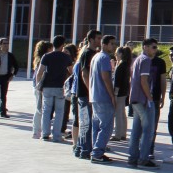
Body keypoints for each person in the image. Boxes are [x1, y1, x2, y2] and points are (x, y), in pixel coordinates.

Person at [128, 38, 159, 168]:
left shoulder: (137, 60)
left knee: (136, 129)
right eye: (153, 47)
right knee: (148, 130)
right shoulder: (146, 60)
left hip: (135, 98)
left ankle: (133, 156)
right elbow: (144, 81)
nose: (155, 50)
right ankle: (143, 158)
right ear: (145, 47)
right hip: (143, 99)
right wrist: (150, 99)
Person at [37, 35, 73, 142]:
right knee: (59, 111)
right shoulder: (66, 57)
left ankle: (45, 133)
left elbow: (39, 72)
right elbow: (72, 72)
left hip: (47, 86)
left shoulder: (46, 56)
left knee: (46, 110)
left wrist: (38, 85)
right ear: (62, 45)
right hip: (60, 87)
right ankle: (57, 135)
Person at [88, 35, 118, 164]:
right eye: (111, 44)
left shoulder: (95, 57)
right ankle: (97, 152)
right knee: (106, 127)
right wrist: (112, 96)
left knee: (97, 126)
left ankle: (96, 151)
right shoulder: (105, 58)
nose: (114, 46)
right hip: (103, 96)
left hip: (94, 96)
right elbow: (106, 77)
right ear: (104, 44)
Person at [73, 30, 102, 160]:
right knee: (86, 122)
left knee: (86, 121)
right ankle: (84, 149)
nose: (99, 41)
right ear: (90, 39)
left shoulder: (93, 53)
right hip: (85, 94)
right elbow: (84, 74)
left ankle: (80, 148)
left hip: (87, 93)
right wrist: (91, 92)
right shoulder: (87, 53)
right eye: (97, 38)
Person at [30, 40, 53, 139]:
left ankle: (37, 131)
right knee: (40, 110)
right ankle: (37, 131)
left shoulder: (39, 59)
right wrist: (40, 87)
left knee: (40, 109)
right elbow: (40, 75)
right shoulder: (44, 60)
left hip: (38, 86)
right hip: (40, 87)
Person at [112, 46, 133, 141]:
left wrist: (115, 93)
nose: (115, 55)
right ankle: (123, 133)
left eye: (117, 53)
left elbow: (117, 81)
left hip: (119, 92)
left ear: (121, 54)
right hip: (125, 91)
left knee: (118, 113)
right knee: (122, 113)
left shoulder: (121, 65)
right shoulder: (126, 64)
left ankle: (118, 134)